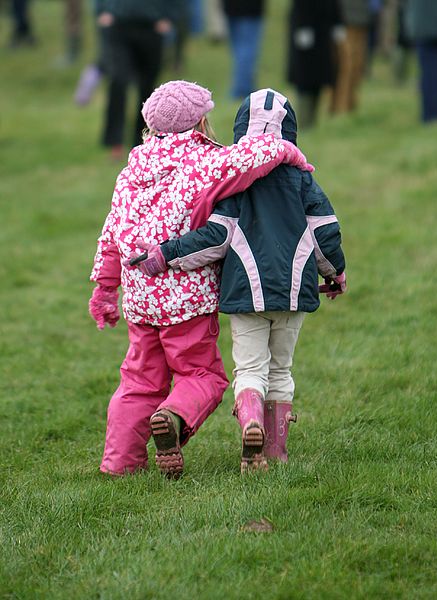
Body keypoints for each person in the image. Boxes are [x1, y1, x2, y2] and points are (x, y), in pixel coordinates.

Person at [89, 81, 313, 478]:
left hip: (140, 299)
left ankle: (119, 463)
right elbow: (251, 156)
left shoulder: (133, 167)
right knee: (202, 375)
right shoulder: (205, 162)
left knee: (138, 381)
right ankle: (173, 417)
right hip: (186, 299)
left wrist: (106, 289)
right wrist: (289, 151)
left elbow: (112, 231)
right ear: (201, 120)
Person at [129, 89, 346, 472]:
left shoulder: (237, 184)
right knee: (281, 370)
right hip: (294, 291)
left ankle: (250, 424)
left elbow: (214, 238)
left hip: (244, 293)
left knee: (249, 369)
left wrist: (165, 254)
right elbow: (325, 234)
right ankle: (275, 450)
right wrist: (335, 273)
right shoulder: (303, 181)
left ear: (241, 129)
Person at [95, 0, 183, 160]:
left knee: (147, 89)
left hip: (151, 27)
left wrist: (169, 17)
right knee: (118, 81)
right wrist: (101, 10)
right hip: (118, 25)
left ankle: (142, 143)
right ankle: (116, 141)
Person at [287, 0, 342, 128]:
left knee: (319, 79)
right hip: (304, 31)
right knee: (304, 80)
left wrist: (337, 22)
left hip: (323, 34)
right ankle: (304, 121)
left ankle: (312, 121)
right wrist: (302, 26)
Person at [331, 0, 371, 113]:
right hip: (344, 19)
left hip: (360, 19)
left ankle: (349, 105)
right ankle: (340, 107)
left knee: (355, 66)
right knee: (345, 65)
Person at [222, 0, 265, 99]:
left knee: (238, 50)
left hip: (231, 7)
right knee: (246, 50)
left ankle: (242, 87)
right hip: (250, 9)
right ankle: (242, 90)